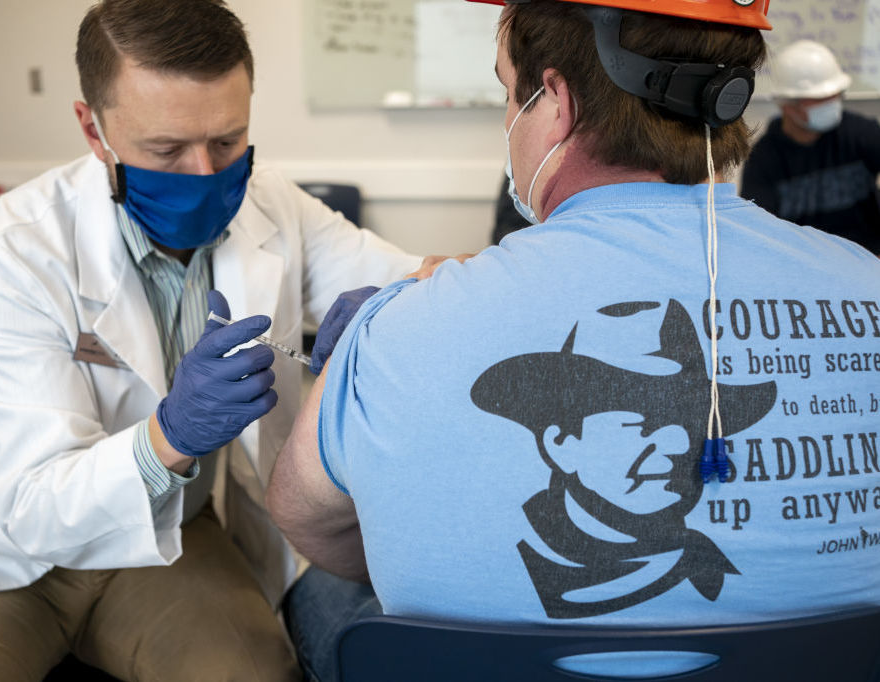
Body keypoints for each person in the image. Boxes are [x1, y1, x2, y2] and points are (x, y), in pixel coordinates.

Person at [266, 1, 880, 680]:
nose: (670, 443)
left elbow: (310, 522)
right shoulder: (868, 284)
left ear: (554, 102)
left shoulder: (401, 322)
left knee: (324, 593)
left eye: (509, 95)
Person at [0, 0, 426, 680]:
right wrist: (171, 435)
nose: (205, 173)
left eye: (226, 142)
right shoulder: (9, 252)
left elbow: (418, 283)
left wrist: (395, 316)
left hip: (172, 536)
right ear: (92, 129)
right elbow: (37, 509)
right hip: (5, 557)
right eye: (165, 150)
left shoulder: (270, 199)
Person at [740, 39, 880, 254]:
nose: (832, 103)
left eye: (835, 95)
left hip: (869, 258)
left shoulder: (858, 133)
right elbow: (760, 235)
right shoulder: (765, 160)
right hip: (806, 265)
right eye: (820, 99)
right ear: (788, 104)